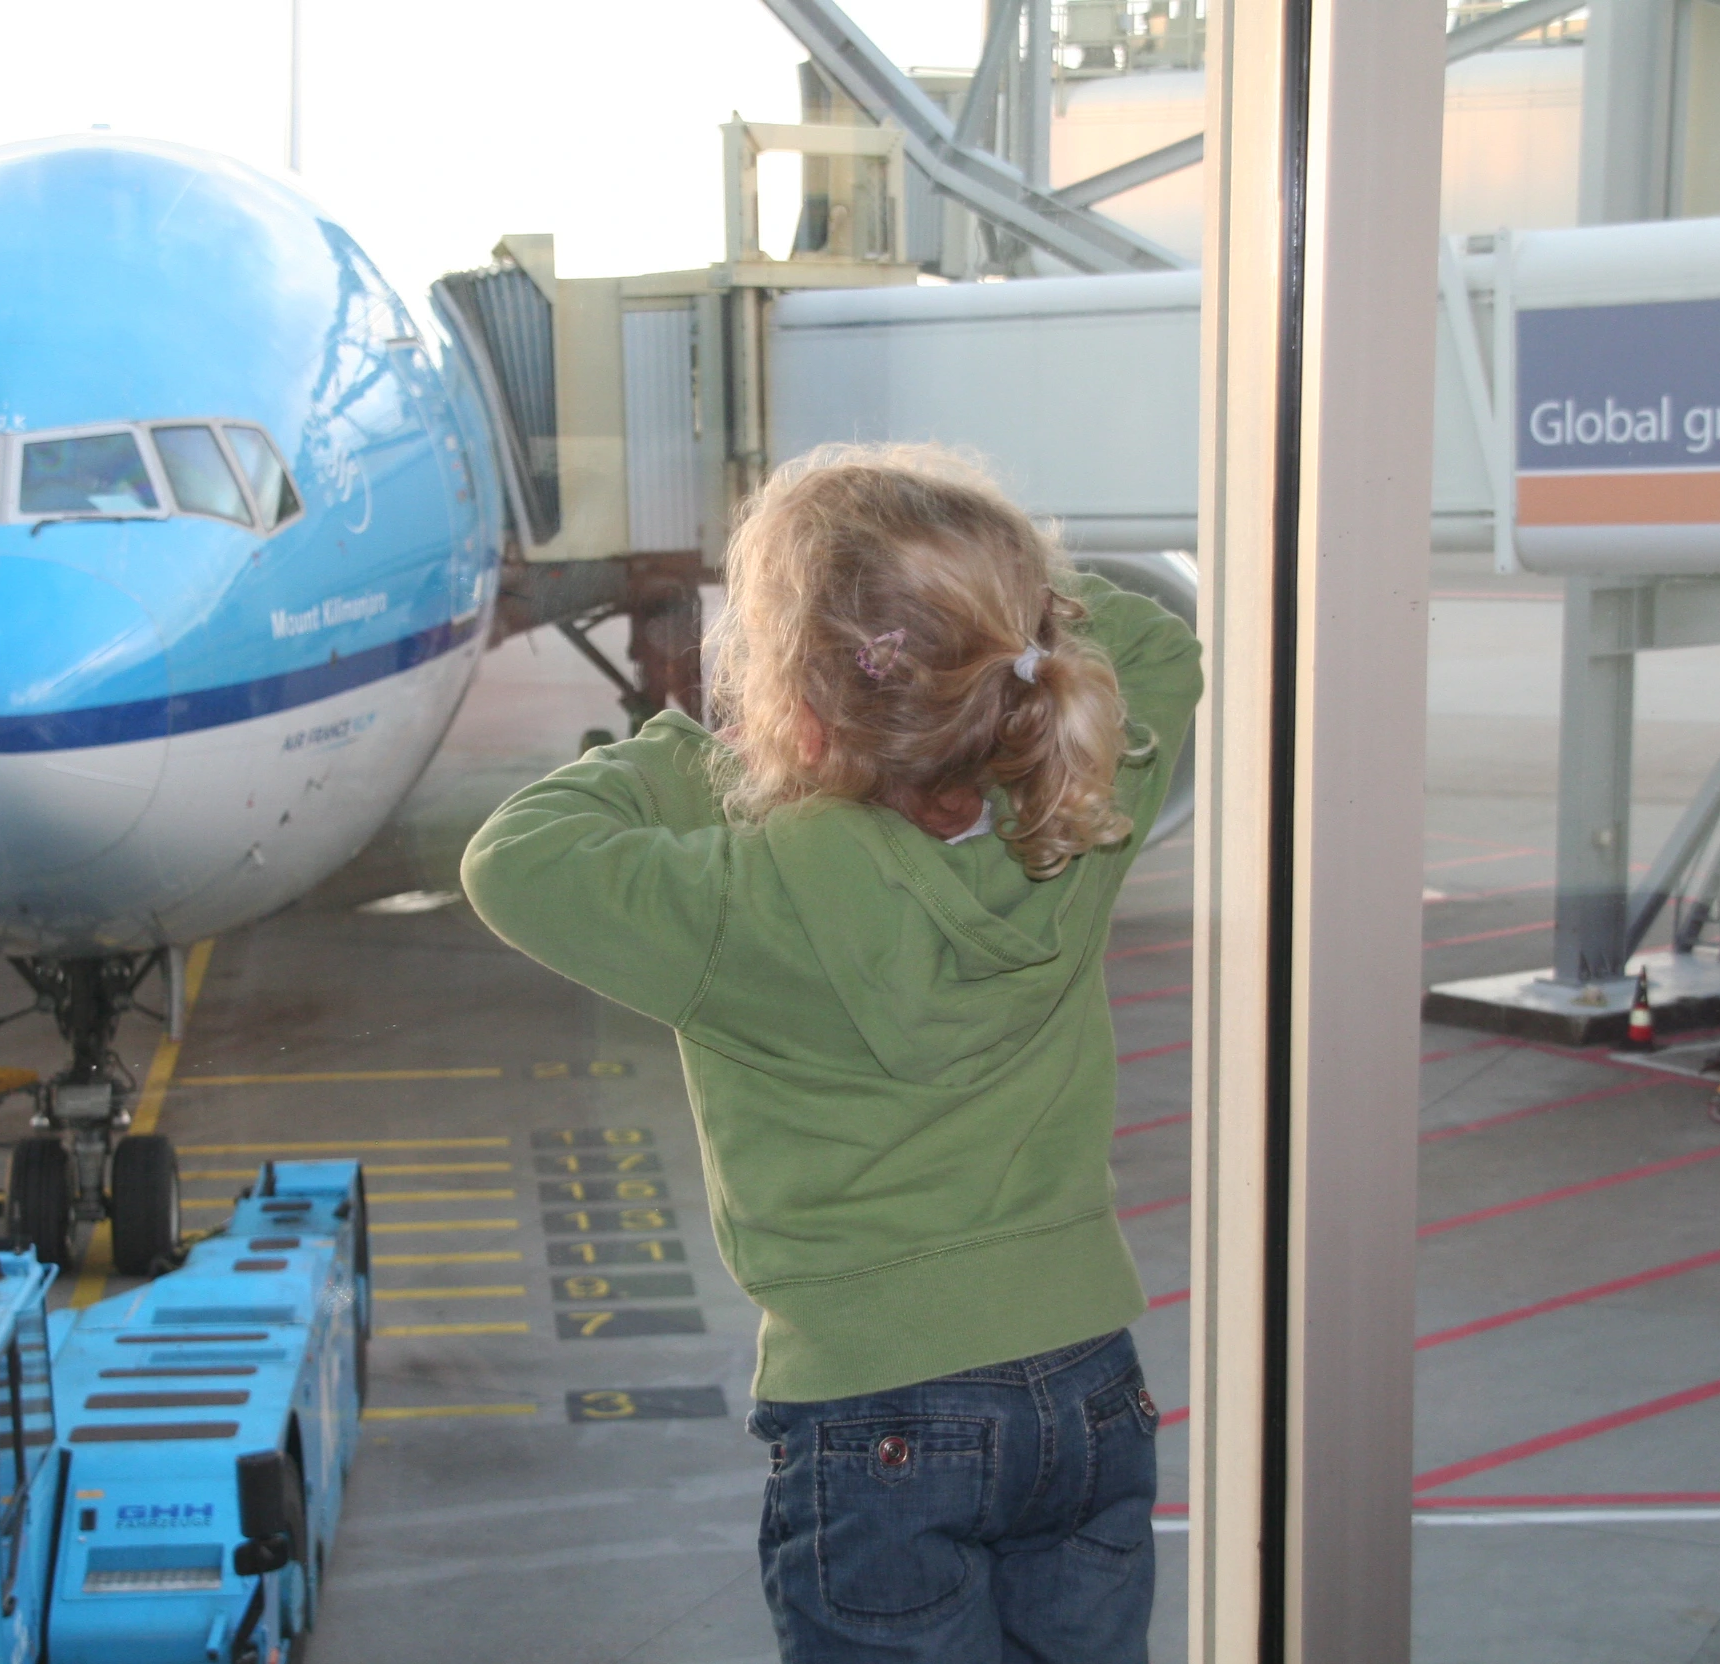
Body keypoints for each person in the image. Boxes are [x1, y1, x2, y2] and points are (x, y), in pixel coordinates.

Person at [461, 445, 1203, 1663]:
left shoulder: (757, 897)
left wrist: (708, 747)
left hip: (879, 1413)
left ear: (796, 709)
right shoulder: (1077, 815)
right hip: (1087, 1384)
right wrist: (1005, 614)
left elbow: (518, 856)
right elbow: (1162, 650)